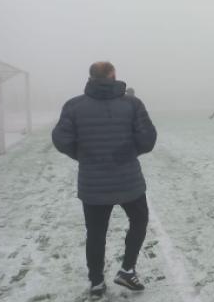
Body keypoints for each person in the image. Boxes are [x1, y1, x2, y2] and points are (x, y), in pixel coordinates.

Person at [52, 62, 157, 300]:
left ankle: (97, 281)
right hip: (127, 179)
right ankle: (127, 269)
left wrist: (82, 155)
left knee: (96, 233)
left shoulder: (74, 106)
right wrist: (128, 153)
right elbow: (148, 138)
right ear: (113, 76)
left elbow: (61, 139)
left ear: (91, 77)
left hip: (93, 183)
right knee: (139, 220)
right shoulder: (132, 104)